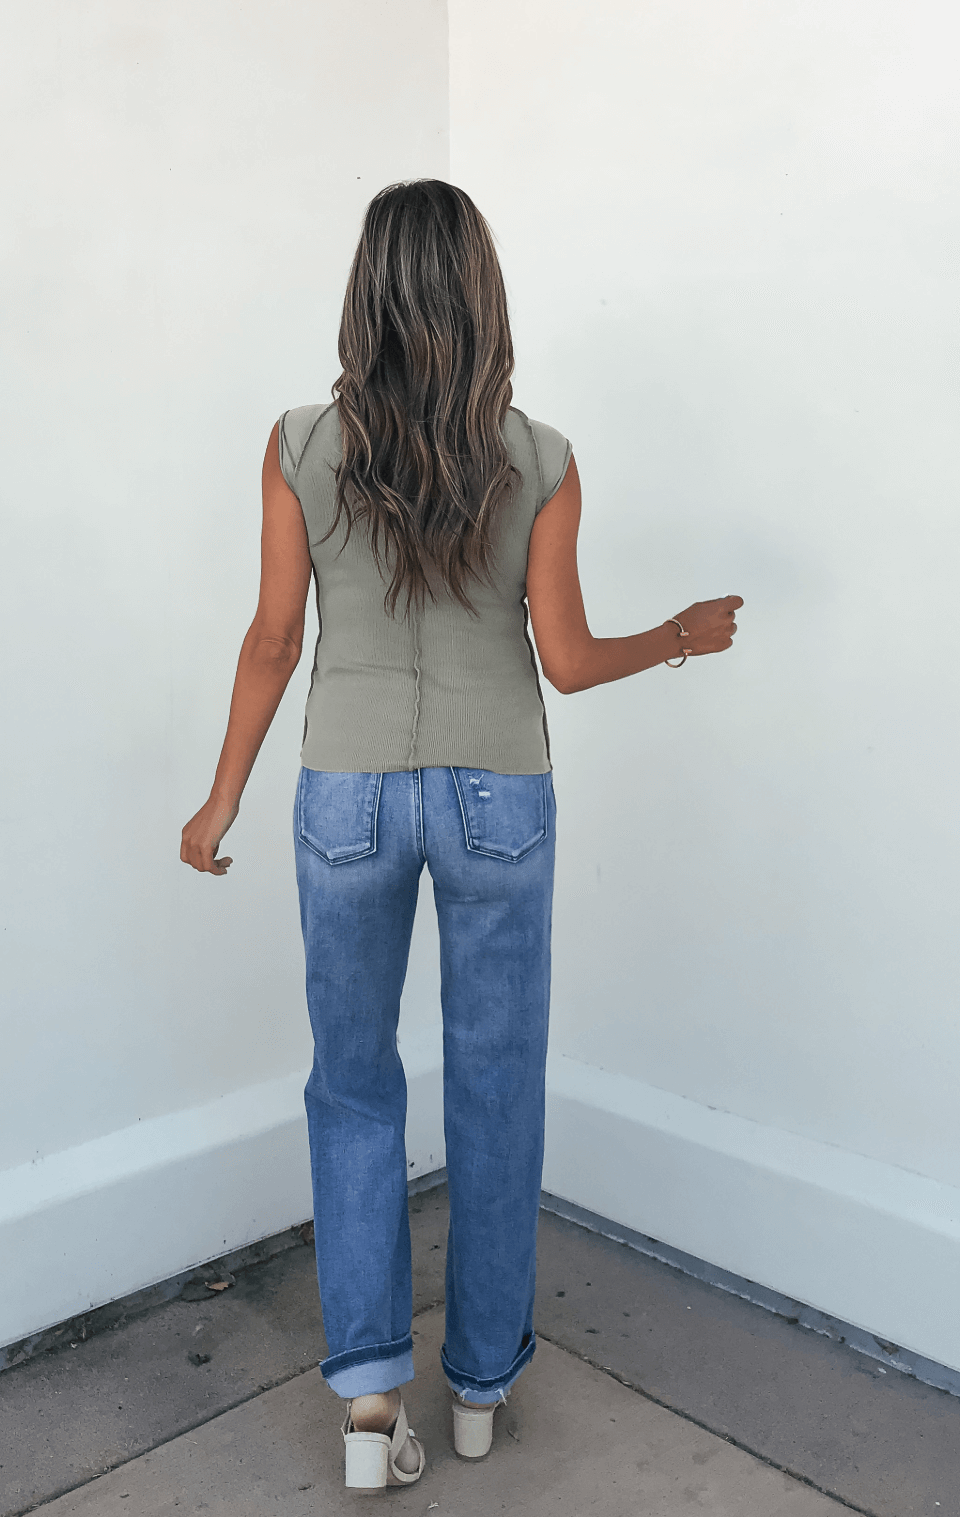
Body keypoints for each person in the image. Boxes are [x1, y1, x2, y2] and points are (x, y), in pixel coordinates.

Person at [180, 179, 742, 1492]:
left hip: (346, 795)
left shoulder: (298, 446)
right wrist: (674, 639)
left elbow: (275, 639)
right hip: (500, 797)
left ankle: (371, 1410)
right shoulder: (540, 458)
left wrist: (223, 797)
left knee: (354, 1088)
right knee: (495, 1093)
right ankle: (481, 1390)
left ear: (363, 292)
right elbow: (563, 658)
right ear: (483, 297)